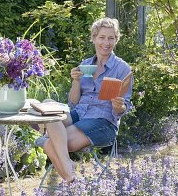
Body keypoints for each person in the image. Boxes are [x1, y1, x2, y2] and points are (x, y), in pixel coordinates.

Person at [35, 17, 133, 183]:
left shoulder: (122, 68)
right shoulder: (85, 64)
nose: (106, 43)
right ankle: (68, 169)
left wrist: (119, 105)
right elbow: (73, 102)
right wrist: (76, 81)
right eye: (102, 37)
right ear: (94, 38)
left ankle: (69, 179)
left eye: (111, 38)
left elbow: (123, 109)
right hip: (79, 114)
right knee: (48, 108)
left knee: (51, 142)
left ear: (116, 40)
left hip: (103, 121)